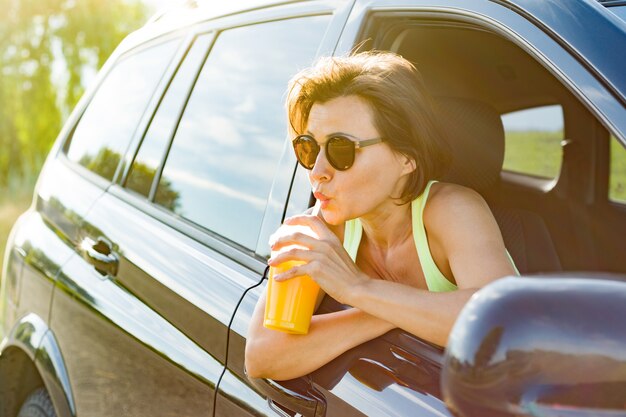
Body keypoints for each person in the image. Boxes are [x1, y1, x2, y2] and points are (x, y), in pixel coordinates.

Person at [245, 50, 518, 381]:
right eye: (309, 148)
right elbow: (262, 355)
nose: (317, 171)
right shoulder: (323, 229)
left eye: (341, 150)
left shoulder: (452, 209)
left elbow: (506, 324)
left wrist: (358, 289)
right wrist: (386, 309)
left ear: (406, 157)